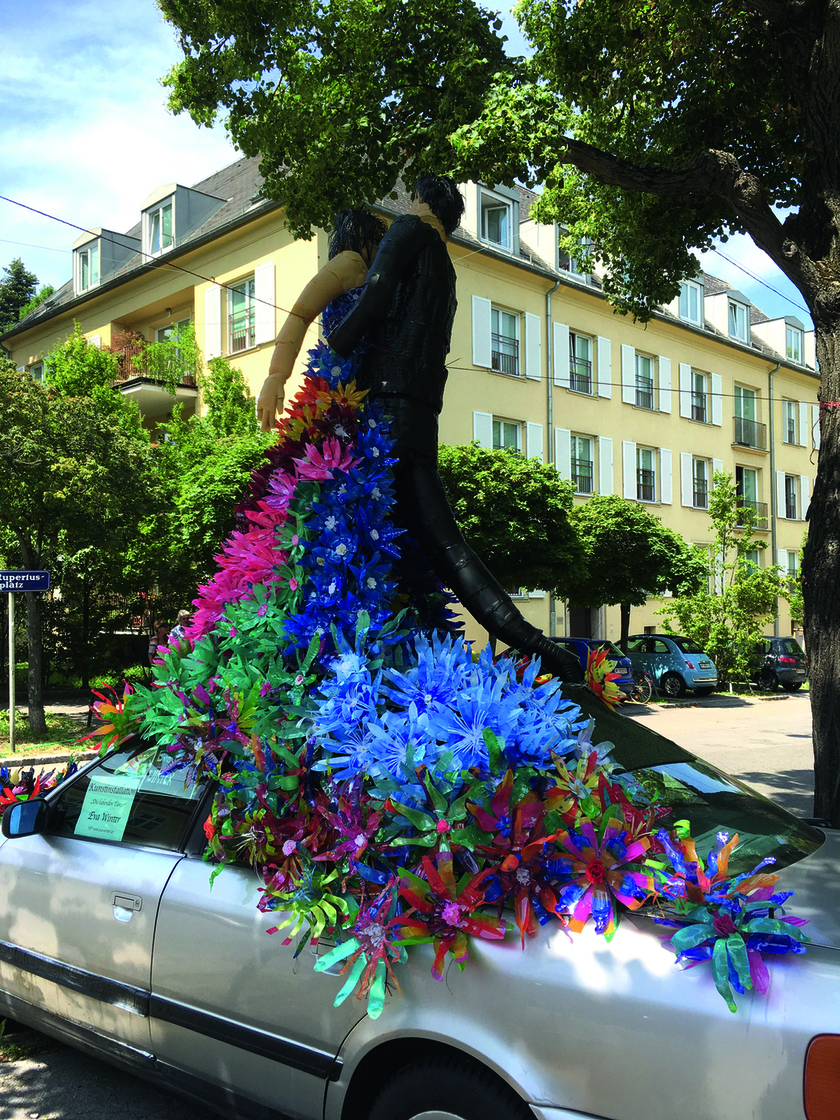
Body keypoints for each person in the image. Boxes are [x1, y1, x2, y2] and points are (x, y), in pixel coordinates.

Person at [326, 175, 582, 683]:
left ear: (421, 201)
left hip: (386, 412)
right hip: (423, 417)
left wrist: (337, 347)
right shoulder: (445, 267)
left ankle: (359, 663)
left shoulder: (408, 231)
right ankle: (544, 649)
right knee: (443, 545)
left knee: (362, 533)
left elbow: (376, 294)